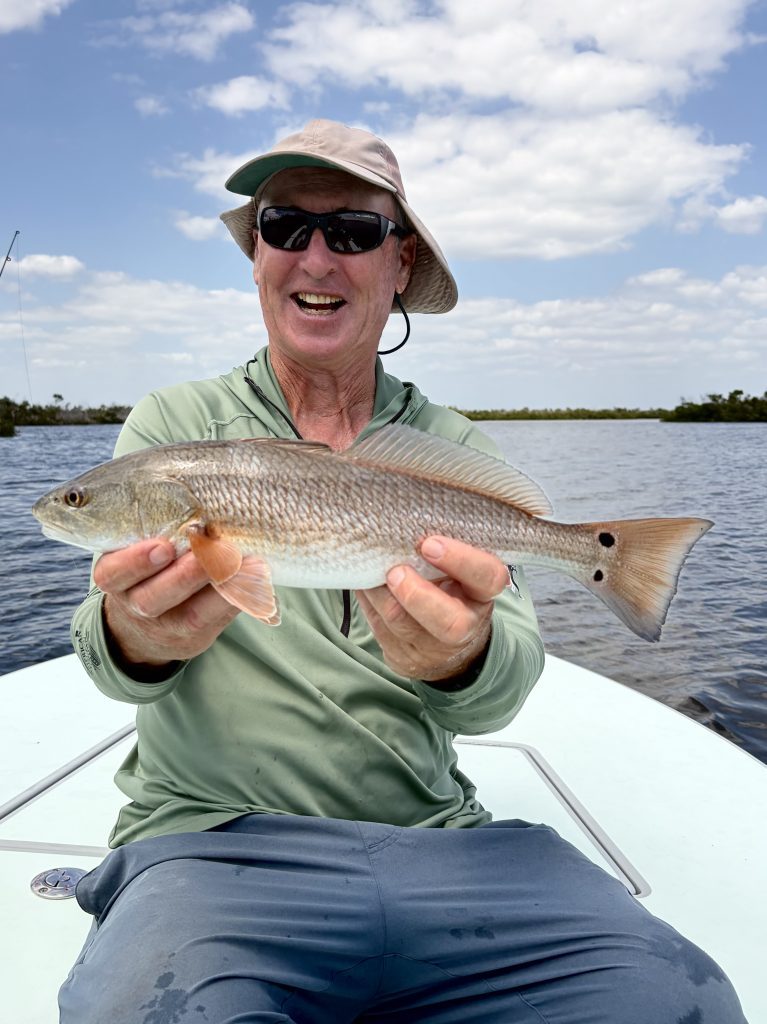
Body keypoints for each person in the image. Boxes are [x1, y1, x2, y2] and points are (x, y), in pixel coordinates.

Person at [59, 119, 746, 1023]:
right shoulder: (174, 428)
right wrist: (136, 634)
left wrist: (460, 658)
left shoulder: (450, 448)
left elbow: (501, 694)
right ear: (257, 255)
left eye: (352, 232)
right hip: (210, 845)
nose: (316, 256)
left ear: (398, 262)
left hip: (440, 843)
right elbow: (105, 660)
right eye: (284, 227)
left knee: (676, 1003)